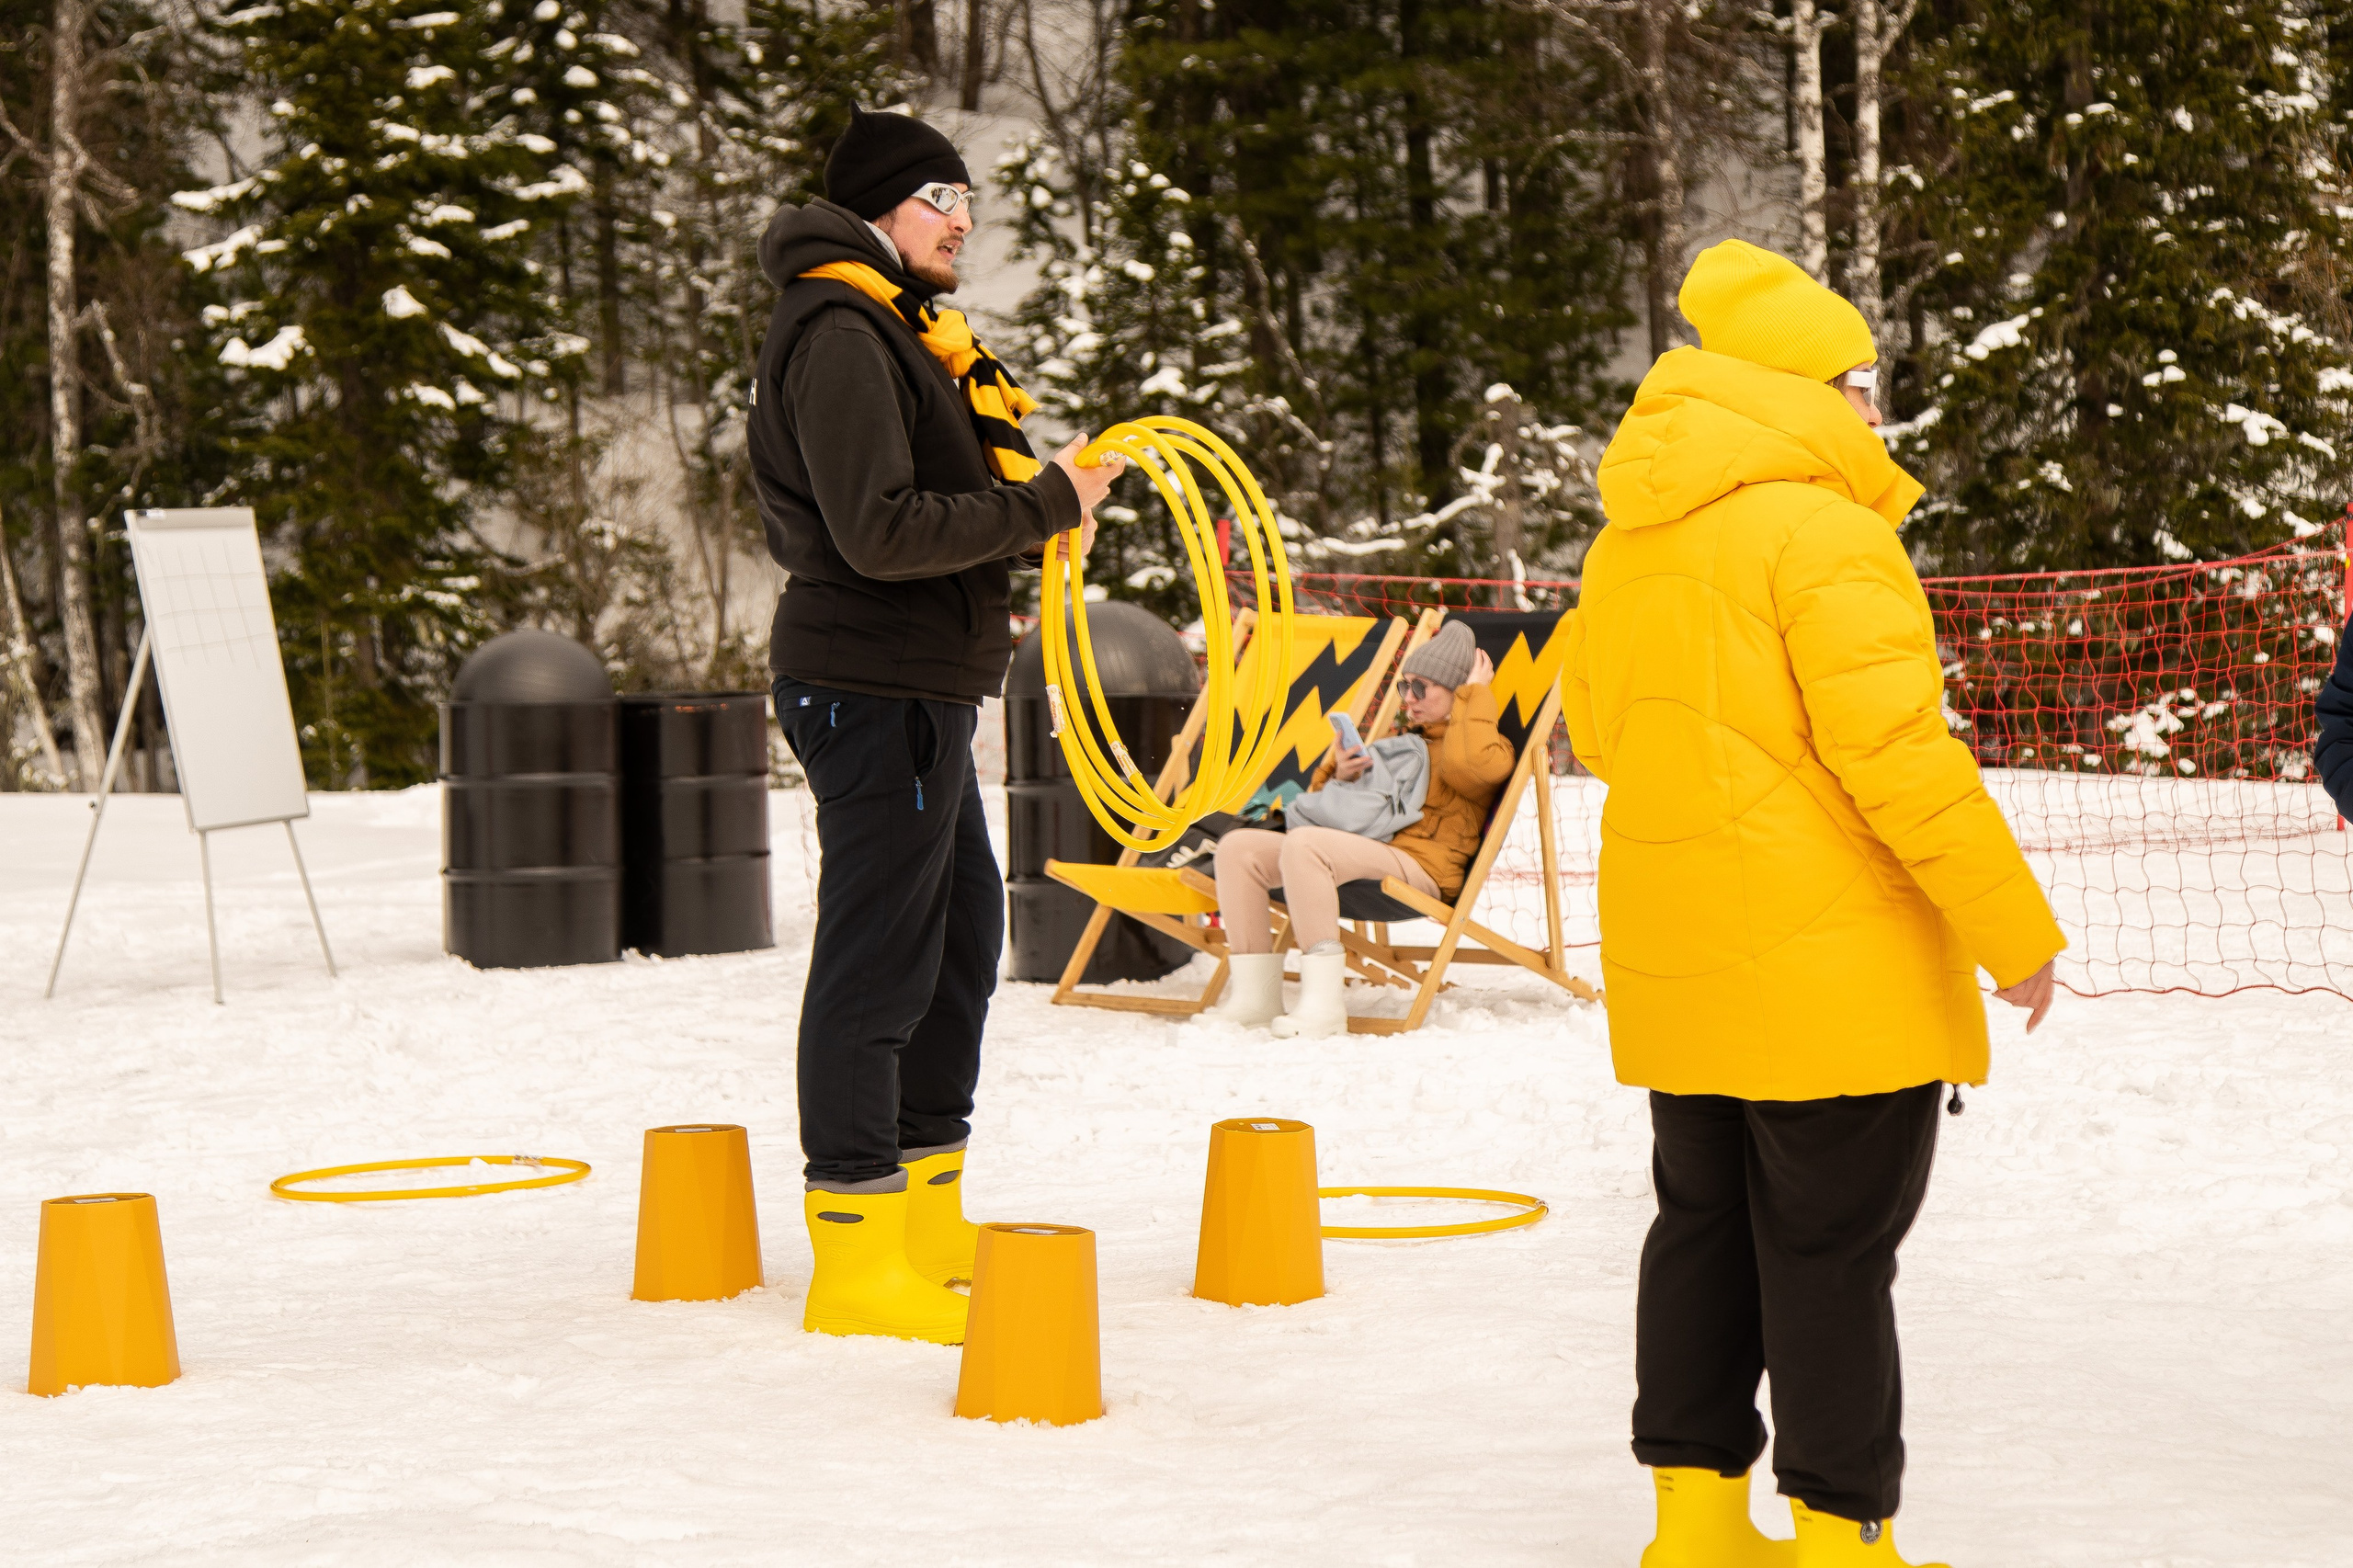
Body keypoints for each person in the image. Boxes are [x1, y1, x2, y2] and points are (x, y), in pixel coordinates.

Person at [1561, 238, 2064, 1567]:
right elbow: (1897, 756)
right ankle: (1843, 1539)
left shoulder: (1627, 542)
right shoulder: (1827, 532)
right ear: (1797, 387)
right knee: (1830, 1251)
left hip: (1681, 957)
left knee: (1701, 1231)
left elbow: (1600, 733)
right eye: (1857, 381)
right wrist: (2012, 930)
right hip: (1829, 971)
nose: (1873, 407)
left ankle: (1696, 1525)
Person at [746, 108, 1122, 1345]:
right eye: (939, 196)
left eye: (968, 197)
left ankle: (920, 1208)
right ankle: (856, 1249)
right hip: (872, 682)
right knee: (881, 957)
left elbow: (936, 508)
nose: (962, 219)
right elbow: (879, 530)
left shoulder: (901, 329)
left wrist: (1044, 504)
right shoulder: (843, 331)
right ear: (878, 207)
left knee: (959, 938)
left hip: (919, 685)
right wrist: (1040, 504)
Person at [1210, 620, 1513, 1037]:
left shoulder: (1489, 748)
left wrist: (1474, 695)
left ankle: (1322, 1007)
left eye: (1421, 688)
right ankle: (1254, 1000)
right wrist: (1342, 775)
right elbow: (1341, 815)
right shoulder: (1406, 744)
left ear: (1458, 690)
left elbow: (1468, 766)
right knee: (1238, 848)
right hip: (1371, 853)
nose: (1408, 698)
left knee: (1305, 846)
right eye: (1404, 686)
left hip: (1423, 870)